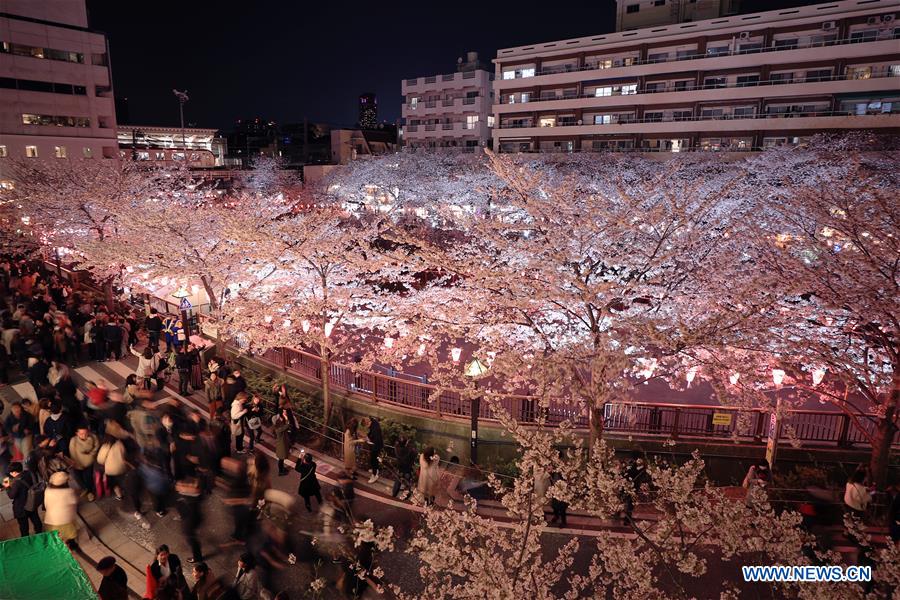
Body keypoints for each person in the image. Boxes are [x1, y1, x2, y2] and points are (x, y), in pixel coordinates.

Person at [3, 461, 43, 537]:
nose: (10, 474)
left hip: (21, 508)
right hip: (31, 502)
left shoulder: (17, 483)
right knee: (35, 519)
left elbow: (11, 495)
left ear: (14, 472)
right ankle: (40, 533)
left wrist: (7, 487)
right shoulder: (28, 473)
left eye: (11, 472)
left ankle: (26, 539)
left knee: (24, 526)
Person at [43, 470, 79, 545]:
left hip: (52, 519)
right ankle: (71, 545)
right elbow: (74, 502)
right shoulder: (69, 491)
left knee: (56, 535)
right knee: (70, 534)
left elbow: (46, 504)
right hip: (66, 519)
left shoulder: (48, 491)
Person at [176, 477, 204, 564]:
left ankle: (197, 557)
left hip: (189, 523)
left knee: (191, 539)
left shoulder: (189, 500)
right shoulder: (192, 496)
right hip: (193, 519)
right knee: (191, 538)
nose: (178, 486)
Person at [69, 423, 99, 501]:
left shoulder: (93, 437)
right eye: (81, 434)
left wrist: (91, 455)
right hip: (77, 463)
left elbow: (96, 447)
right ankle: (85, 489)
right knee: (79, 478)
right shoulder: (73, 440)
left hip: (89, 462)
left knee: (88, 478)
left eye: (86, 433)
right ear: (77, 433)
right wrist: (76, 464)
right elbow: (73, 454)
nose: (84, 435)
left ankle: (90, 492)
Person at [97, 431, 129, 501]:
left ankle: (119, 495)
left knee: (114, 484)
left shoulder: (105, 446)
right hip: (122, 468)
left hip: (111, 471)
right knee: (121, 480)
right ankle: (124, 489)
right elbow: (124, 454)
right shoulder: (120, 443)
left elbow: (100, 459)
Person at [392, 436, 416, 500]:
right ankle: (406, 496)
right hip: (407, 469)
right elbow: (414, 455)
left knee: (398, 481)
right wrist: (410, 445)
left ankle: (394, 494)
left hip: (400, 467)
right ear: (406, 443)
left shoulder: (397, 448)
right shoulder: (409, 450)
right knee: (407, 483)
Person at [363, 416, 383, 484]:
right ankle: (376, 470)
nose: (367, 427)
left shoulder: (376, 429)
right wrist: (368, 436)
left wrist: (369, 439)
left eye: (367, 425)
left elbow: (376, 439)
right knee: (375, 459)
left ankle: (374, 475)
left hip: (376, 446)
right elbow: (371, 433)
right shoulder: (374, 422)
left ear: (368, 422)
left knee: (373, 459)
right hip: (377, 445)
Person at [273, 409, 291, 476]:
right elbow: (286, 426)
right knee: (281, 459)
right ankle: (280, 472)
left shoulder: (280, 421)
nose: (285, 413)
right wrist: (286, 419)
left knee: (282, 458)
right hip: (281, 444)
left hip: (283, 443)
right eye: (284, 412)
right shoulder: (278, 428)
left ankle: (282, 469)